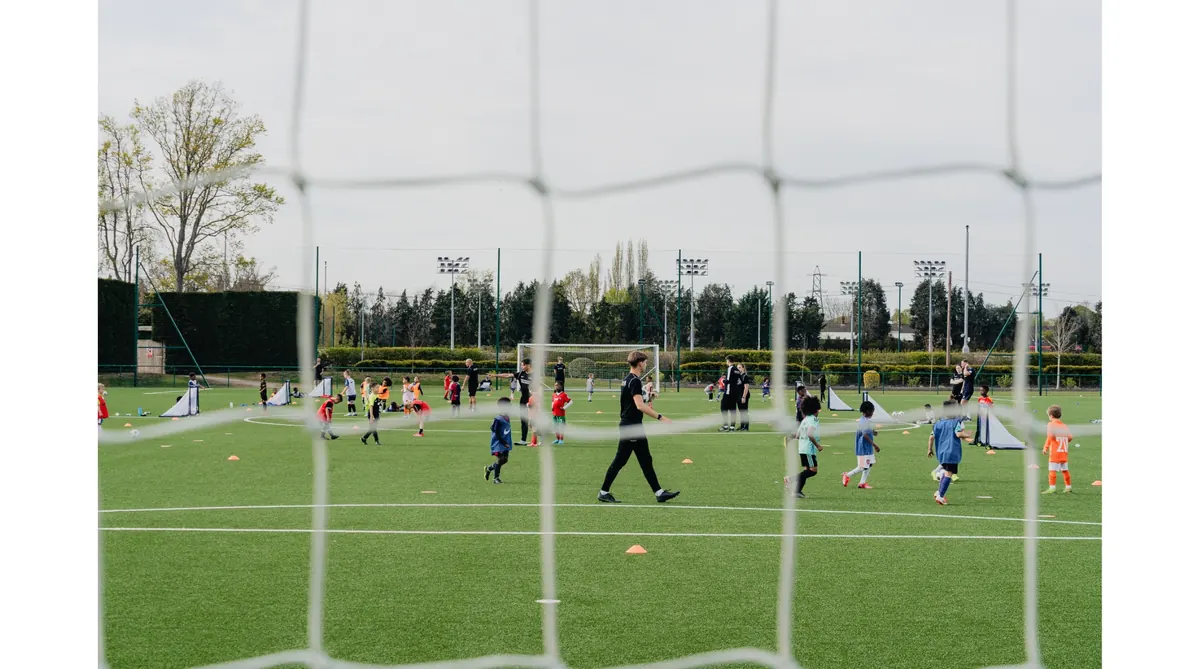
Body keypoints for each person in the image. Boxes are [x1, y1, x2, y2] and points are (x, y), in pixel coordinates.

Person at [597, 351, 679, 504]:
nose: (646, 364)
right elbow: (639, 405)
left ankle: (659, 492)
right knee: (622, 460)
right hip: (632, 427)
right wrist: (661, 417)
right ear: (640, 363)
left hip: (632, 426)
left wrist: (650, 396)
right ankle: (603, 491)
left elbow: (634, 400)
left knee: (644, 460)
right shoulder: (634, 381)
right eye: (645, 362)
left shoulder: (629, 379)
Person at [928, 401, 971, 505]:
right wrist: (967, 435)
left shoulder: (938, 423)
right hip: (951, 452)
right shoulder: (955, 422)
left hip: (941, 452)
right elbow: (958, 434)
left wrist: (929, 449)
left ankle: (939, 491)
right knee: (949, 473)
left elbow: (931, 437)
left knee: (946, 471)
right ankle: (941, 496)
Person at [785, 395, 823, 498]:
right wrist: (818, 445)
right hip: (808, 449)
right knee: (813, 471)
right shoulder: (814, 420)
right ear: (816, 410)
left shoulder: (805, 420)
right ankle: (790, 479)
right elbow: (810, 434)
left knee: (807, 471)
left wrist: (790, 438)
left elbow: (797, 435)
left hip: (802, 449)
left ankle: (797, 491)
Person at [843, 401, 880, 489]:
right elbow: (865, 434)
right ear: (867, 411)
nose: (873, 413)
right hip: (863, 447)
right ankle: (847, 475)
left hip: (867, 447)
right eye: (872, 411)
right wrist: (875, 445)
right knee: (862, 466)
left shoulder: (866, 420)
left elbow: (867, 430)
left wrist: (873, 432)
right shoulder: (864, 421)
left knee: (869, 464)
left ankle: (862, 483)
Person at [497, 360, 533, 445]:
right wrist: (495, 375)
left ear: (528, 365)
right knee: (524, 420)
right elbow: (508, 375)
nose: (522, 367)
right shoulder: (521, 374)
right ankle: (523, 440)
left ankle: (542, 437)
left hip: (532, 400)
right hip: (523, 400)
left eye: (523, 365)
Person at [1042, 405, 1074, 494]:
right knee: (1065, 470)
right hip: (1064, 452)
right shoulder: (1064, 426)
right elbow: (1070, 437)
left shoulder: (1051, 424)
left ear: (1051, 416)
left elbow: (1050, 436)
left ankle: (1052, 488)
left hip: (1055, 452)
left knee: (1052, 470)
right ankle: (1068, 487)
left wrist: (1045, 447)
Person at [485, 398, 514, 484]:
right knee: (500, 458)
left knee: (504, 460)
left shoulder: (507, 417)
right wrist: (503, 442)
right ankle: (496, 478)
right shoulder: (498, 419)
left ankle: (489, 468)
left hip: (506, 441)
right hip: (499, 442)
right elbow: (496, 432)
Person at [720, 356, 740, 432]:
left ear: (728, 361)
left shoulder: (730, 368)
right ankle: (732, 427)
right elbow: (738, 380)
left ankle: (725, 426)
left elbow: (728, 381)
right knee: (733, 409)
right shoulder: (737, 369)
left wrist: (723, 381)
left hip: (728, 392)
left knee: (723, 408)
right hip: (735, 392)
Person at [736, 364, 751, 431]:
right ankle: (742, 426)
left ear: (743, 368)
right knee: (741, 411)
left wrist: (743, 397)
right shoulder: (738, 376)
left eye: (739, 367)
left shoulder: (745, 376)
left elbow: (746, 388)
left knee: (744, 411)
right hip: (738, 395)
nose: (738, 369)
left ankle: (746, 426)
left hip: (744, 395)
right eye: (737, 367)